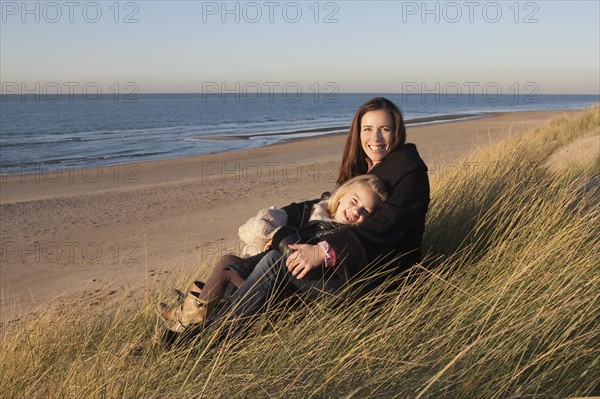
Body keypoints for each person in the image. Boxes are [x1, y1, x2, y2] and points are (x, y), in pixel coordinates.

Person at [210, 97, 430, 325]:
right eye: (368, 129)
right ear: (358, 131)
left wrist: (323, 252)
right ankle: (204, 321)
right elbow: (330, 204)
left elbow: (383, 229)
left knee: (275, 262)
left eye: (384, 129)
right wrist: (282, 216)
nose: (375, 138)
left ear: (397, 133)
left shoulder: (409, 173)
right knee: (236, 263)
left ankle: (207, 337)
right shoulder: (365, 166)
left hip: (377, 281)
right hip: (344, 269)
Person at [156, 174, 388, 333]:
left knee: (236, 265)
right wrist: (279, 236)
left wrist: (282, 237)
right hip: (280, 277)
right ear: (343, 194)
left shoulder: (341, 234)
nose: (355, 211)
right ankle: (185, 320)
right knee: (228, 262)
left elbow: (294, 252)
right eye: (354, 201)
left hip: (288, 289)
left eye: (364, 211)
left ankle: (198, 329)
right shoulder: (319, 214)